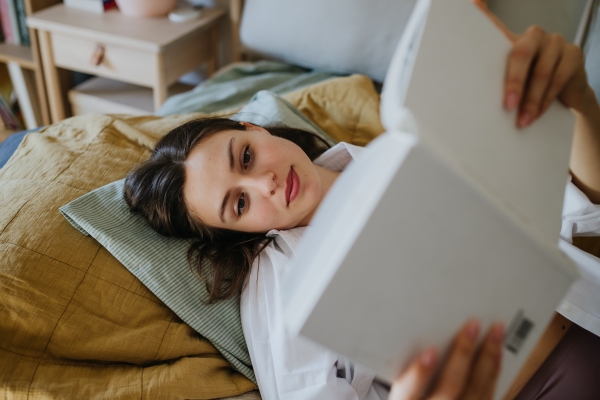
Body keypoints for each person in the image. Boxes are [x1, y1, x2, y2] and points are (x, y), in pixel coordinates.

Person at [124, 24, 600, 400]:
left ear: (256, 129)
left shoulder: (390, 154)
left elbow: (581, 209)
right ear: (237, 231)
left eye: (245, 157)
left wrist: (577, 100)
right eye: (240, 203)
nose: (264, 182)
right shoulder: (282, 283)